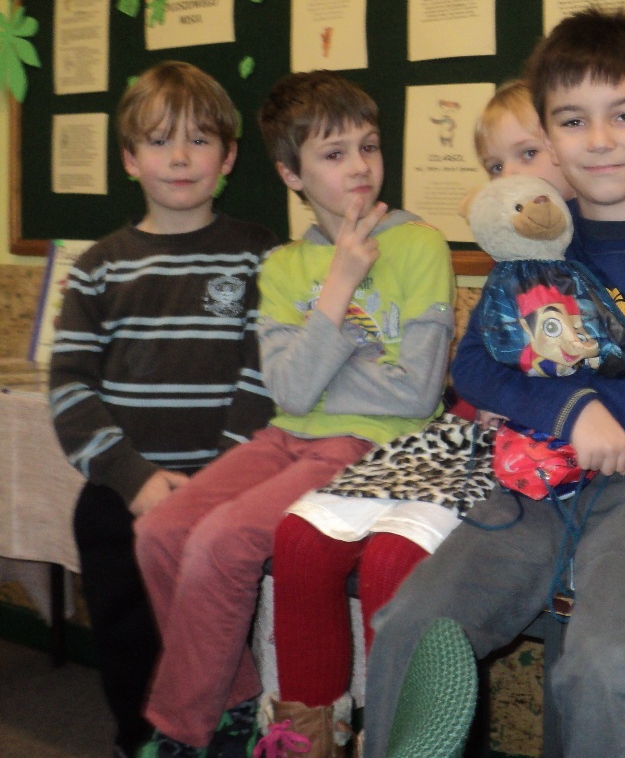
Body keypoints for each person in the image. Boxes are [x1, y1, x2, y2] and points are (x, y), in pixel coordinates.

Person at [359, 8, 625, 758]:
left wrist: (585, 411)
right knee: (411, 626)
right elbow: (475, 366)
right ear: (549, 135)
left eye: (624, 115)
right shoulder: (534, 240)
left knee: (607, 660)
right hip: (544, 470)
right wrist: (573, 409)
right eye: (573, 121)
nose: (599, 139)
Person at [133, 70, 455, 758]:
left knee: (223, 540)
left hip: (367, 445)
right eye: (334, 154)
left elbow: (415, 394)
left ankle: (183, 730)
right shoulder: (283, 266)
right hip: (286, 437)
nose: (360, 166)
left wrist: (321, 365)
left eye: (368, 146)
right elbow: (289, 393)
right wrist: (339, 288)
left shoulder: (421, 245)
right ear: (291, 174)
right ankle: (232, 703)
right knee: (161, 530)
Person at [263, 78, 573, 754]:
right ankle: (305, 740)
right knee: (300, 540)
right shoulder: (506, 267)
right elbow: (468, 374)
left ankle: (397, 742)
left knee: (392, 563)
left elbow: (427, 384)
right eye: (494, 166)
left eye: (527, 154)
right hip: (459, 436)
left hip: (532, 458)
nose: (509, 180)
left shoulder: (601, 256)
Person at [49, 62, 277, 758]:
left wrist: (218, 482)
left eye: (199, 140)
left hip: (223, 499)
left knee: (214, 652)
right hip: (122, 498)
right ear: (129, 158)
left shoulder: (261, 255)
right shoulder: (98, 266)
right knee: (130, 649)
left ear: (228, 156)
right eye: (158, 141)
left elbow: (264, 374)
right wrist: (135, 478)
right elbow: (71, 389)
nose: (179, 157)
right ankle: (136, 744)